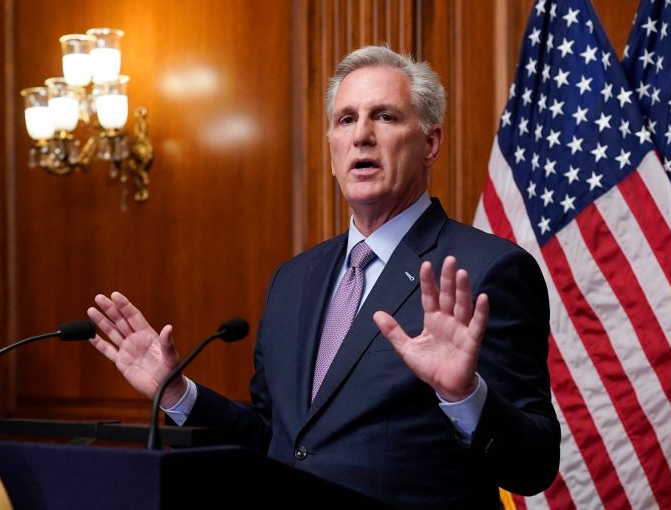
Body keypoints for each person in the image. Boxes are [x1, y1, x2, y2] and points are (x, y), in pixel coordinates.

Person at [87, 45, 560, 509]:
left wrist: (464, 395)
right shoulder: (294, 279)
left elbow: (535, 465)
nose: (362, 136)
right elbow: (275, 440)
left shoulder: (487, 270)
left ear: (430, 144)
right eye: (346, 119)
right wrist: (177, 394)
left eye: (386, 117)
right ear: (333, 149)